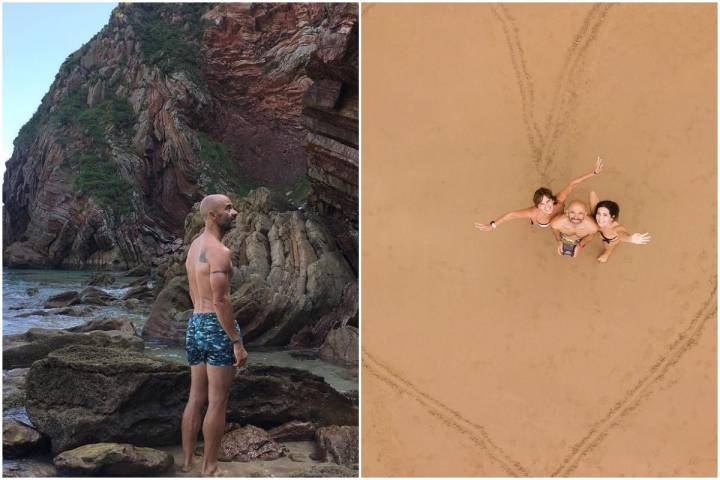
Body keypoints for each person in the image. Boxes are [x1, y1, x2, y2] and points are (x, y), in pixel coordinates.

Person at [181, 194, 248, 476]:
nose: (234, 212)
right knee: (218, 400)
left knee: (196, 397)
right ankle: (210, 468)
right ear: (212, 215)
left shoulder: (194, 247)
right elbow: (221, 302)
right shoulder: (220, 251)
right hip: (215, 326)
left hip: (195, 324)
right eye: (228, 208)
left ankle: (187, 464)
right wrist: (236, 341)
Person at [474, 157, 603, 232]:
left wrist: (594, 173)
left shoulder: (559, 199)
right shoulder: (534, 212)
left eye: (548, 201)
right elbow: (511, 215)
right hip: (544, 222)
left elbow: (572, 184)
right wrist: (493, 225)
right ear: (537, 206)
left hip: (560, 218)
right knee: (535, 220)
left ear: (552, 199)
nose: (547, 206)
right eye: (542, 205)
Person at [589, 191, 651, 263]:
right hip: (600, 233)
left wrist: (630, 239)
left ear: (612, 217)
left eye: (605, 215)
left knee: (608, 248)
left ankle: (607, 254)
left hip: (610, 241)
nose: (600, 218)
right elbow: (592, 194)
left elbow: (622, 234)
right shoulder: (595, 215)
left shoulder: (616, 228)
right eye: (598, 213)